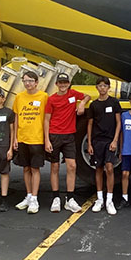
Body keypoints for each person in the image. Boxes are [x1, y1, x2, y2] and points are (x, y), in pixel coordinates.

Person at [44, 73, 90, 213]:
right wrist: (46, 140)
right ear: (56, 84)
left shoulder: (73, 94)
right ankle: (56, 198)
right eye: (60, 82)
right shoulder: (51, 99)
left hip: (69, 136)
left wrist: (82, 103)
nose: (63, 85)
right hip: (54, 136)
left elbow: (87, 96)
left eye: (65, 82)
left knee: (72, 166)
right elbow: (46, 120)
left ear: (69, 83)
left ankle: (70, 199)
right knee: (55, 167)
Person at [13, 71, 51, 214]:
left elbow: (47, 118)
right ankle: (28, 196)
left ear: (36, 82)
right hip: (23, 137)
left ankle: (35, 198)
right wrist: (15, 137)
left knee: (35, 169)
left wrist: (46, 139)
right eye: (25, 81)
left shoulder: (44, 96)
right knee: (25, 168)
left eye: (30, 81)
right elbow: (17, 117)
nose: (27, 83)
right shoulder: (19, 97)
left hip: (37, 138)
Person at [87, 76, 122, 215]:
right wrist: (89, 143)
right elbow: (90, 124)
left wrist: (115, 141)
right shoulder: (94, 105)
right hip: (97, 141)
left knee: (109, 167)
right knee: (98, 168)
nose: (102, 88)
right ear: (97, 87)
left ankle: (109, 200)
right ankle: (99, 198)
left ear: (108, 88)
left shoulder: (114, 102)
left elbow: (118, 122)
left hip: (109, 140)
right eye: (100, 85)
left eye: (105, 86)